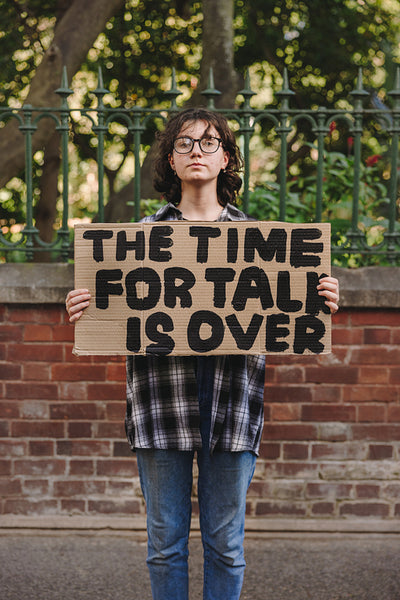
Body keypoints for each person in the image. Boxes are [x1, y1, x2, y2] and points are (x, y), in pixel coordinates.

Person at [66, 107, 339, 600]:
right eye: (186, 143)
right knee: (164, 544)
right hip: (159, 406)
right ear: (171, 160)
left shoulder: (265, 244)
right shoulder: (136, 242)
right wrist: (87, 304)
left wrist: (318, 298)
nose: (197, 151)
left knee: (225, 544)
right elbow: (112, 314)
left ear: (226, 158)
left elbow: (291, 311)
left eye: (209, 142)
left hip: (233, 405)